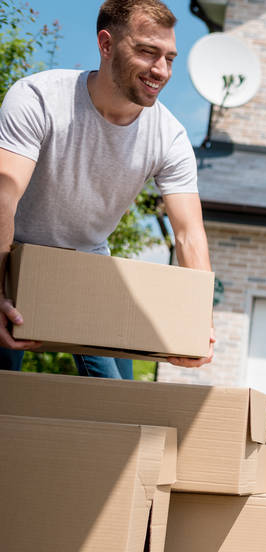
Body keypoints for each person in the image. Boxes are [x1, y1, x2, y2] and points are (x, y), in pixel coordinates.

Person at [0, 0, 215, 378]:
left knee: (118, 394)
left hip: (88, 265)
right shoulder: (39, 99)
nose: (161, 70)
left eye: (169, 57)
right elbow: (4, 195)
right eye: (147, 52)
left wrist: (198, 321)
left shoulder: (169, 136)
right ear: (106, 44)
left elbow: (188, 234)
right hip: (12, 257)